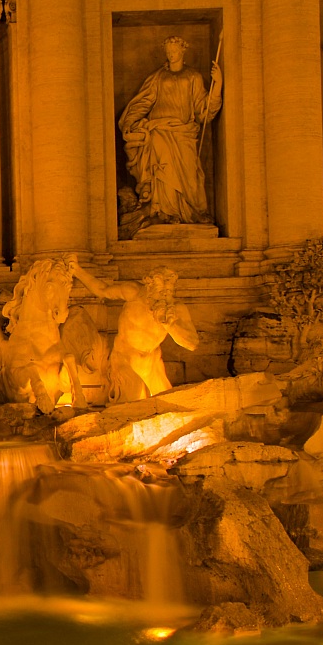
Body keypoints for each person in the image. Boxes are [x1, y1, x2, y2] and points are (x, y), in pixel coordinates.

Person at [118, 36, 222, 233]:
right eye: (168, 51)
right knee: (163, 170)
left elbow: (203, 109)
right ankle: (165, 212)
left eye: (174, 51)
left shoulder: (193, 76)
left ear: (183, 51)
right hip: (159, 130)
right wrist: (130, 121)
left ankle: (191, 212)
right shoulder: (158, 77)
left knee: (190, 173)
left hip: (184, 132)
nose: (171, 54)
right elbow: (144, 101)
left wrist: (217, 85)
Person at [68, 259, 198, 402]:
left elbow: (192, 343)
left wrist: (170, 326)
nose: (164, 296)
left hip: (152, 362)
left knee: (168, 402)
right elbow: (102, 290)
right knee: (136, 398)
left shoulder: (176, 309)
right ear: (149, 287)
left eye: (168, 292)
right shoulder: (133, 292)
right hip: (125, 359)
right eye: (160, 291)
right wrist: (77, 271)